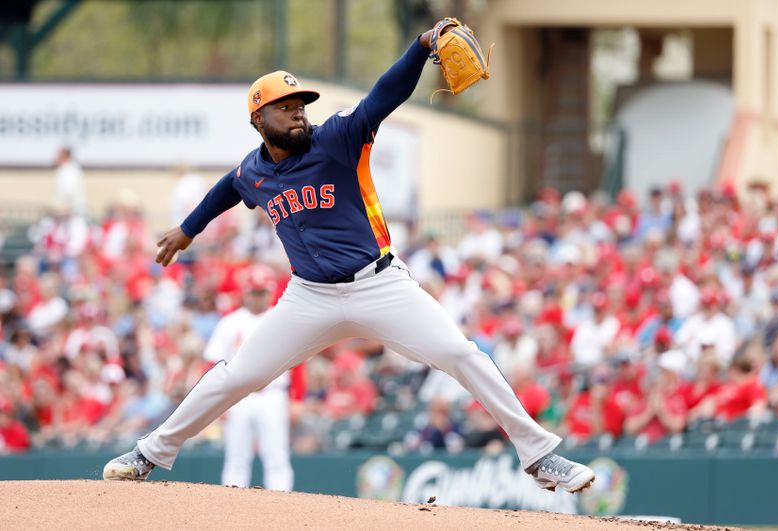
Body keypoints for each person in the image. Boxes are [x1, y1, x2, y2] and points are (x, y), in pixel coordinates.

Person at [102, 22, 594, 493]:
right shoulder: (254, 170)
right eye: (284, 106)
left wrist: (421, 47)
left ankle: (538, 455)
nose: (298, 112)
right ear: (258, 120)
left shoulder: (337, 138)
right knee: (238, 375)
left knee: (461, 355)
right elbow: (228, 189)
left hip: (379, 284)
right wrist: (189, 229)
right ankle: (150, 453)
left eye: (300, 103)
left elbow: (382, 96)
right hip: (309, 296)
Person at [203, 266, 294, 490]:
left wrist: (297, 398)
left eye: (262, 292)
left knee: (276, 456)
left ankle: (282, 508)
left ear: (270, 292)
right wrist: (218, 402)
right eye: (254, 292)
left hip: (272, 395)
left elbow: (297, 364)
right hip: (238, 397)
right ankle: (232, 510)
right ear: (245, 293)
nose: (258, 297)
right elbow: (214, 364)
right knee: (236, 456)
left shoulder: (281, 319)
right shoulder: (231, 323)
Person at [53, 147, 87, 217]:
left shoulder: (70, 171)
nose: (57, 158)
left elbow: (68, 192)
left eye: (60, 156)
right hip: (66, 213)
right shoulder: (64, 169)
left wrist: (64, 210)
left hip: (71, 213)